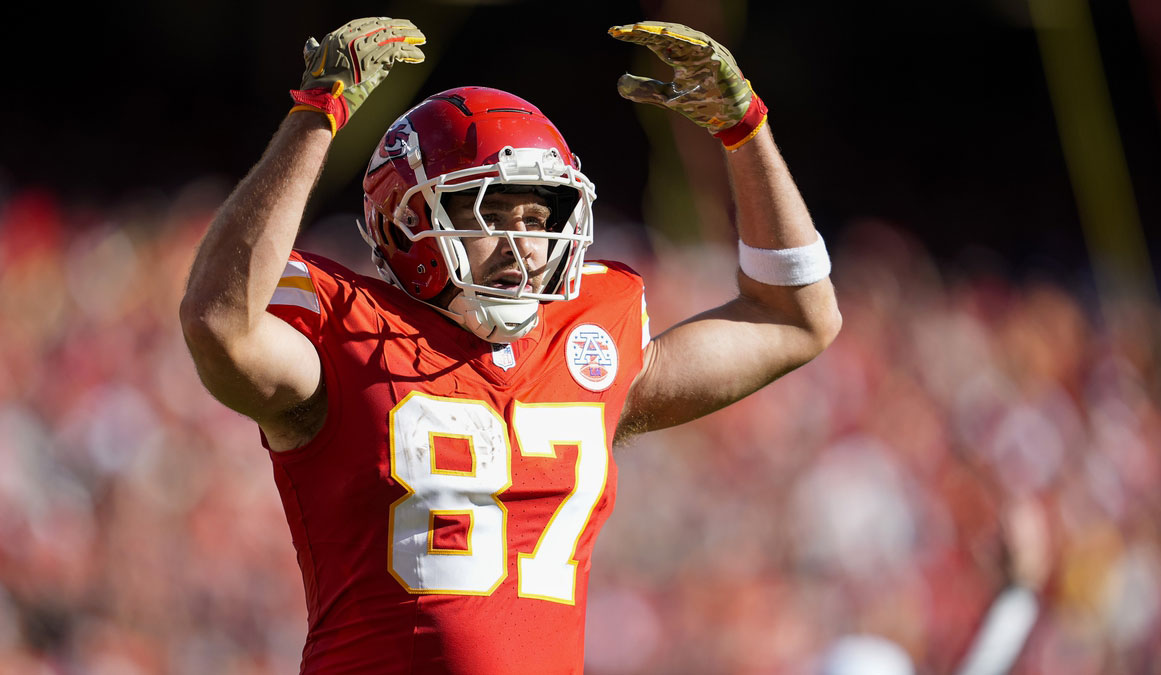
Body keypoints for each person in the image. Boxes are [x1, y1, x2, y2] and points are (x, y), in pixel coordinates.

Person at [179, 16, 841, 674]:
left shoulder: (588, 339)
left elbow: (796, 318)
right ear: (405, 222)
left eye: (537, 216)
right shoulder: (351, 334)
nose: (522, 243)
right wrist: (314, 117)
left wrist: (745, 130)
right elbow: (219, 321)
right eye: (488, 213)